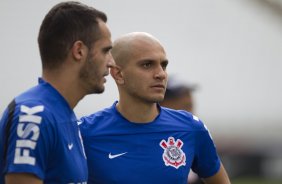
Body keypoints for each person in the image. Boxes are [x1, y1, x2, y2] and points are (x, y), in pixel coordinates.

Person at [79, 32, 231, 184]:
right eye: (147, 65)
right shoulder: (84, 133)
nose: (160, 74)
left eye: (163, 65)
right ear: (118, 74)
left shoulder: (191, 128)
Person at [0, 1, 114, 184]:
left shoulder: (65, 116)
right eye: (106, 50)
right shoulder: (32, 115)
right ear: (79, 51)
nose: (111, 62)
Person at [160, 79, 203, 184]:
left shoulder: (198, 141)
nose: (190, 114)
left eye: (190, 106)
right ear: (163, 104)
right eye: (184, 108)